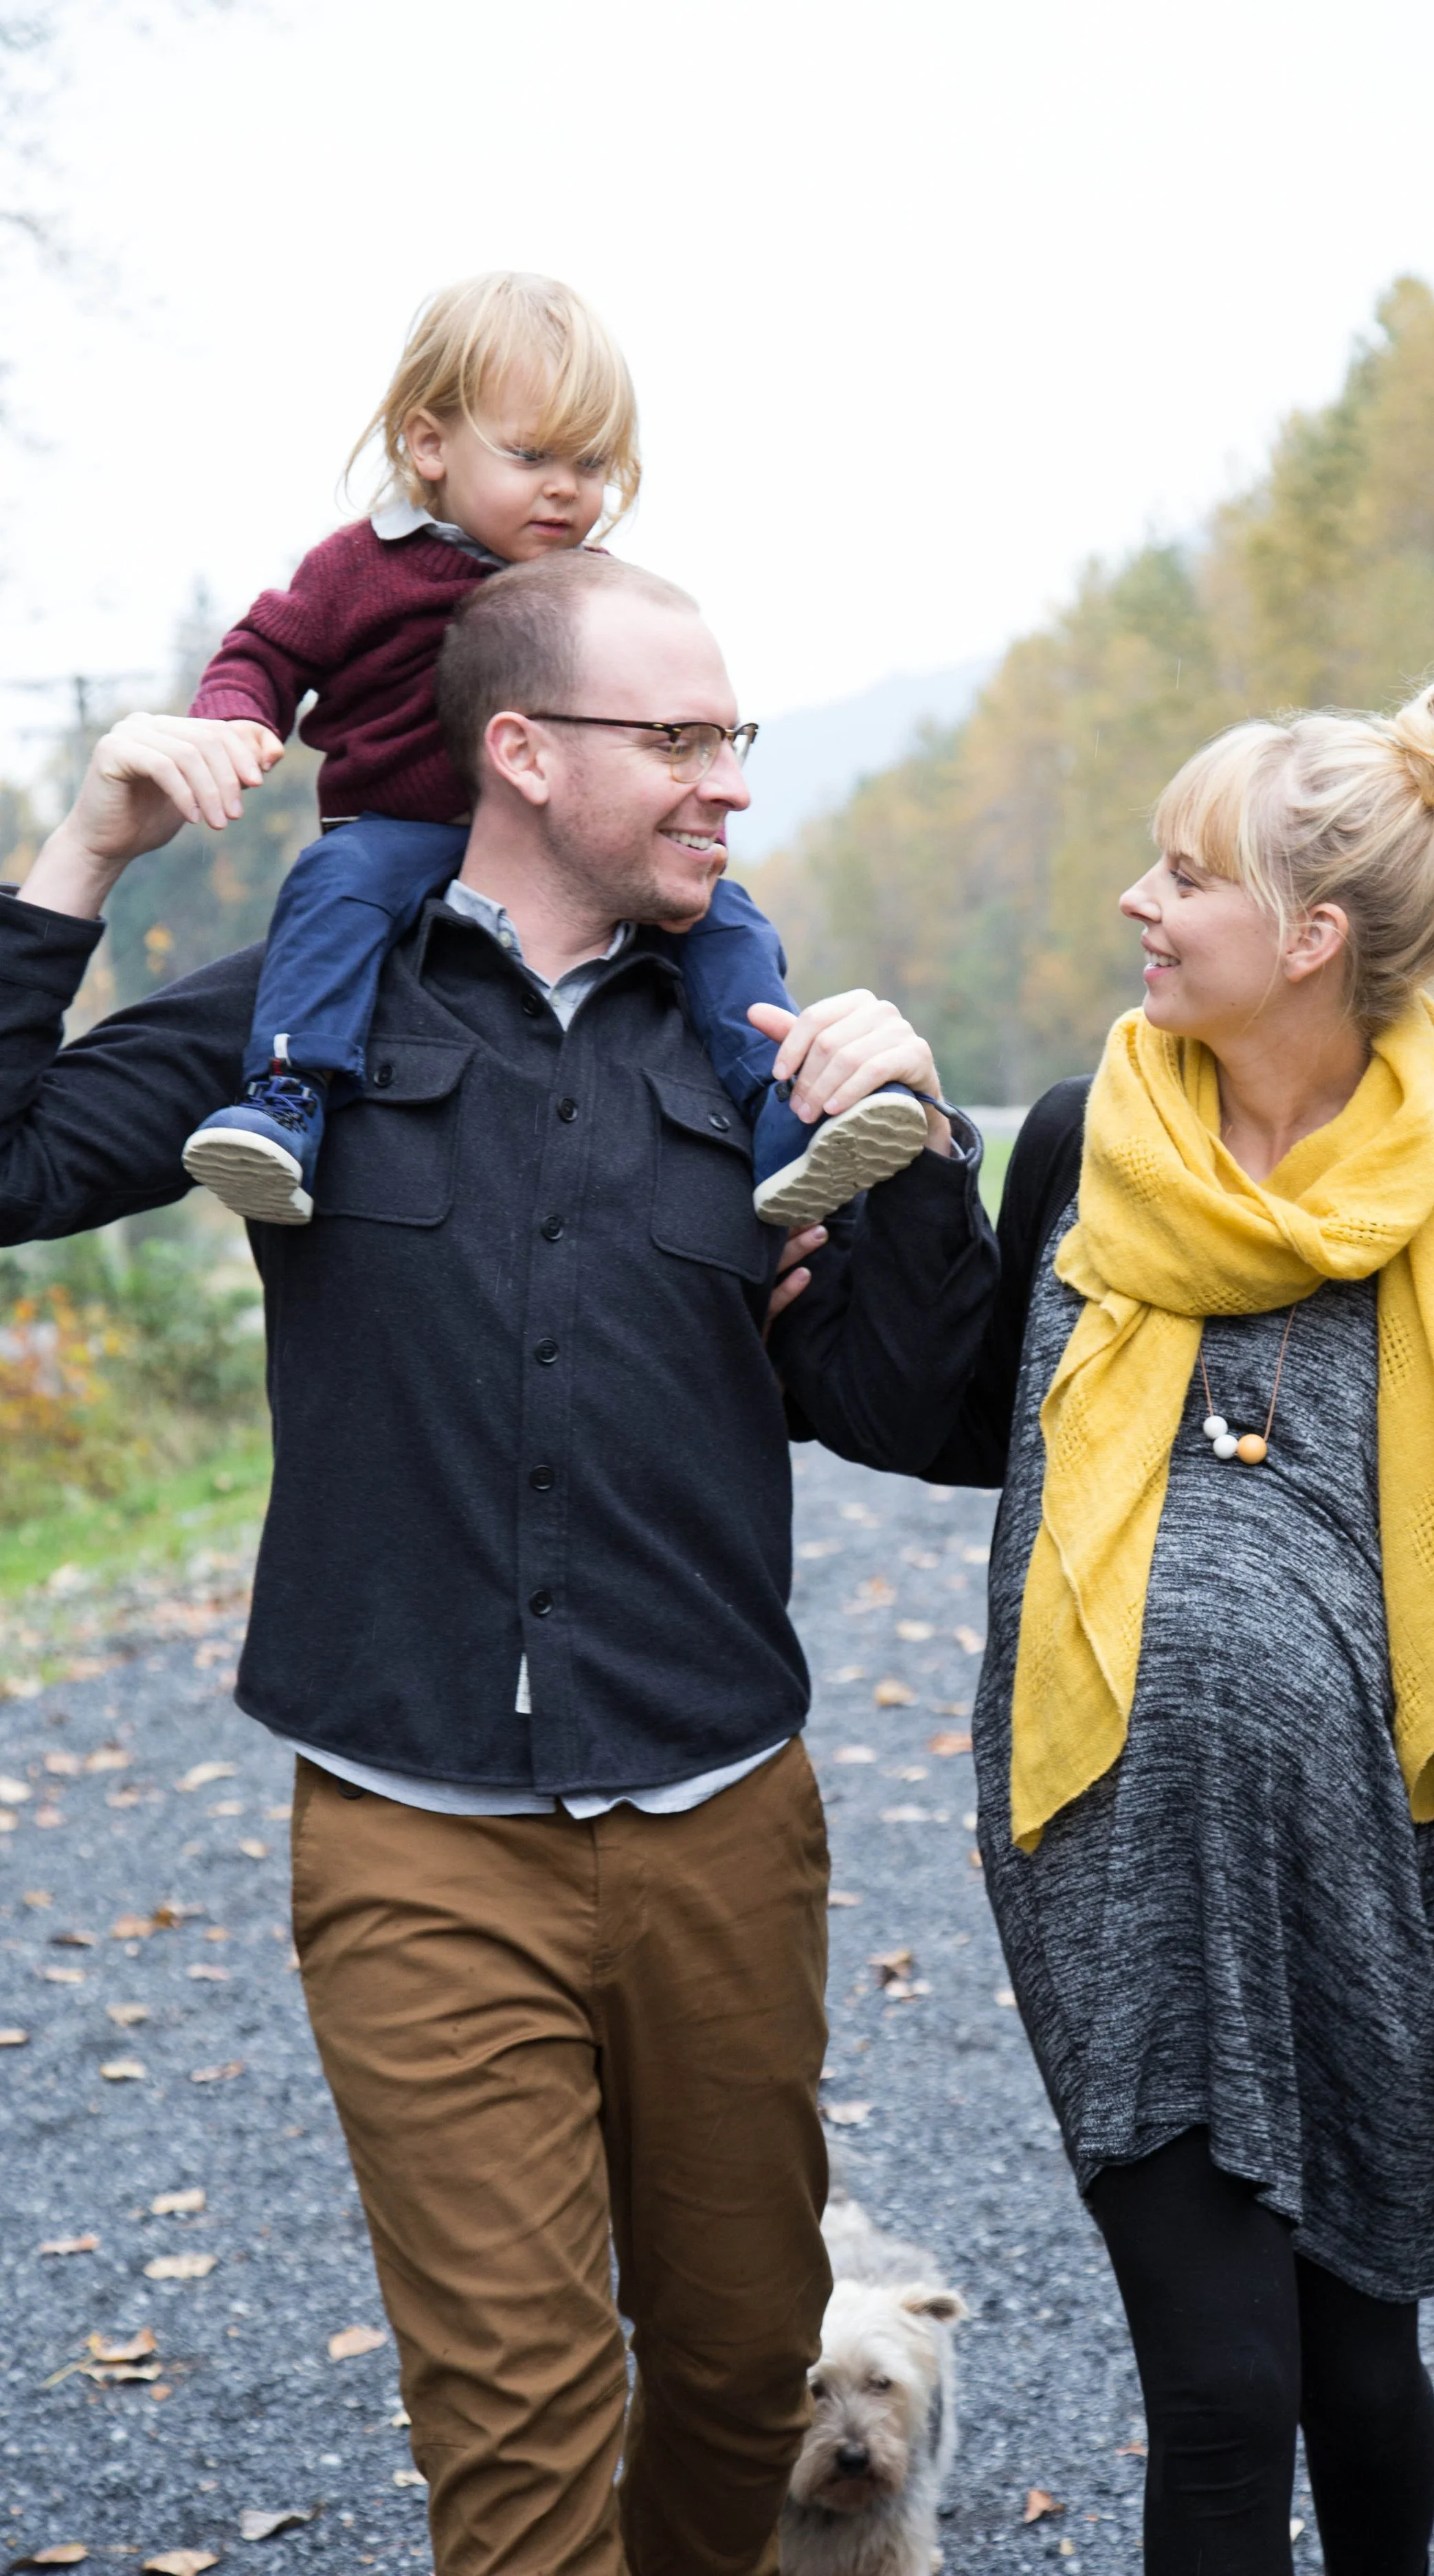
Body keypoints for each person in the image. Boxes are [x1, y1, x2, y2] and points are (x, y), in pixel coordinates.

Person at [0, 547, 998, 2576]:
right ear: (522, 751)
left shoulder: (752, 1047)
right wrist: (82, 844)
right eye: (685, 739)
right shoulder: (313, 996)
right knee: (522, 2436)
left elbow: (936, 1415)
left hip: (725, 1817)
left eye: (738, 738)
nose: (728, 782)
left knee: (733, 2377)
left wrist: (913, 1138)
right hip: (413, 1833)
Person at [929, 655, 1434, 2575]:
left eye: (1177, 873)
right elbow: (946, 1412)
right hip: (1114, 1860)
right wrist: (864, 1144)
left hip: (1377, 1880)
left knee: (1358, 2357)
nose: (1136, 903)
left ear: (1303, 938)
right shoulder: (1071, 1143)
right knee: (1221, 2394)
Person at [179, 269, 929, 1231]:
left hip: (563, 853)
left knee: (730, 923)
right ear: (428, 442)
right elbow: (267, 652)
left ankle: (779, 1111)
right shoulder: (360, 566)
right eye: (533, 455)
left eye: (592, 462)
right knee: (332, 889)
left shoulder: (594, 594)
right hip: (401, 835)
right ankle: (291, 1098)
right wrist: (235, 719)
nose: (567, 489)